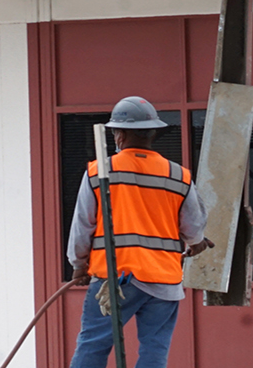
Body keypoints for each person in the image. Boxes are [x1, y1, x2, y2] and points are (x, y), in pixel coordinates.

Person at [66, 96, 214, 368]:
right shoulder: (178, 175)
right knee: (154, 349)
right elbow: (194, 227)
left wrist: (78, 265)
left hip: (116, 277)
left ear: (118, 134)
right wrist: (196, 242)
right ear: (153, 132)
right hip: (164, 281)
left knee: (94, 344)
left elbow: (82, 225)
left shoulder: (99, 171)